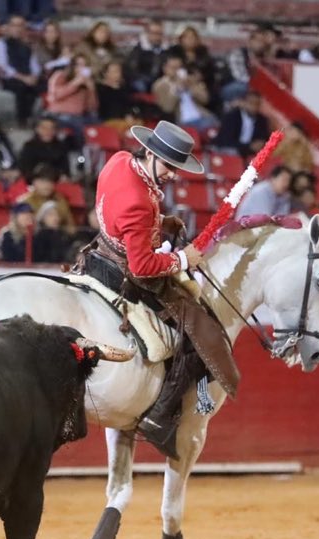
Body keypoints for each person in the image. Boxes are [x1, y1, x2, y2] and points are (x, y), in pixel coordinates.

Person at [80, 120, 237, 457]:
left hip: (100, 251)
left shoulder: (119, 160)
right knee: (196, 328)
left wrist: (158, 223)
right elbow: (141, 266)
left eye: (176, 167)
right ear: (149, 153)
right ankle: (161, 415)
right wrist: (183, 258)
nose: (172, 174)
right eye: (168, 165)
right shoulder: (139, 201)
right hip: (125, 270)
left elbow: (120, 209)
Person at [0, 14, 41, 124]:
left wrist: (34, 76)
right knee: (22, 87)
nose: (17, 29)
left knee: (42, 85)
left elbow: (34, 65)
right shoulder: (1, 44)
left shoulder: (28, 45)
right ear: (9, 27)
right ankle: (22, 120)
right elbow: (2, 66)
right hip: (10, 79)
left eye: (20, 26)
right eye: (14, 25)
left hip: (28, 77)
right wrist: (23, 78)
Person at [45, 53, 99, 143]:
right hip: (59, 114)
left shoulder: (86, 82)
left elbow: (92, 107)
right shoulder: (60, 75)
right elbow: (55, 96)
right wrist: (74, 83)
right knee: (80, 126)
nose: (81, 69)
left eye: (85, 66)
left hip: (79, 115)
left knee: (99, 124)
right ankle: (81, 153)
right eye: (79, 65)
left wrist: (91, 89)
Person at [153, 56, 215, 130]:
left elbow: (205, 99)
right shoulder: (161, 85)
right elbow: (167, 108)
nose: (177, 71)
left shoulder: (190, 80)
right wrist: (177, 89)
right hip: (183, 122)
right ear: (165, 68)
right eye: (173, 68)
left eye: (179, 68)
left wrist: (191, 87)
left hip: (202, 116)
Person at [212, 91, 271, 159]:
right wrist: (248, 146)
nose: (253, 107)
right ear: (244, 102)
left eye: (256, 104)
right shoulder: (232, 117)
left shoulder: (262, 121)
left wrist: (260, 144)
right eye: (251, 103)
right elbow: (226, 141)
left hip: (248, 155)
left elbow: (263, 139)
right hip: (228, 151)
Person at [16, 163, 74, 228]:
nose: (47, 185)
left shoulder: (60, 200)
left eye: (50, 181)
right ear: (34, 182)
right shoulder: (26, 202)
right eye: (42, 181)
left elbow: (70, 226)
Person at [17, 116, 71, 181]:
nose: (48, 131)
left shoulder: (61, 146)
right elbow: (25, 169)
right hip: (35, 182)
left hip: (56, 181)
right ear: (37, 129)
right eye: (44, 128)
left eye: (52, 128)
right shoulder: (29, 146)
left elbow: (65, 170)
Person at [223, 29, 270, 103]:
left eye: (263, 42)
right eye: (258, 40)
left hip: (253, 87)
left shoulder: (264, 59)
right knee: (243, 87)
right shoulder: (238, 53)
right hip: (231, 86)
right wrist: (258, 84)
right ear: (250, 41)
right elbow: (240, 77)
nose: (261, 44)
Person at [97, 60, 142, 135]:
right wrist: (125, 116)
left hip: (127, 119)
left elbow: (130, 105)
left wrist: (130, 114)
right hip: (110, 120)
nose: (118, 74)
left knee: (139, 124)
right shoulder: (100, 89)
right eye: (114, 71)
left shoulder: (125, 89)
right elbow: (108, 108)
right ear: (105, 73)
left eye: (119, 71)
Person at [125, 20, 169, 93]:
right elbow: (132, 69)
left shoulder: (167, 50)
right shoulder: (138, 49)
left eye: (159, 33)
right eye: (154, 33)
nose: (156, 36)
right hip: (141, 79)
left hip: (160, 81)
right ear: (148, 33)